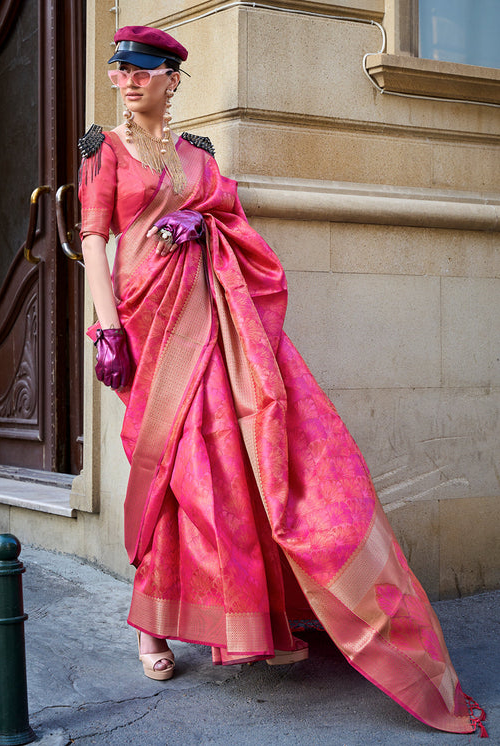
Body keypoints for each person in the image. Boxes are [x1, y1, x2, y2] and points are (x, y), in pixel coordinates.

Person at [78, 25, 487, 736]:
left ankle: (252, 615)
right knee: (170, 475)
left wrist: (199, 229)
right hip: (149, 327)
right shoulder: (101, 152)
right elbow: (93, 240)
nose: (128, 80)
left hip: (215, 324)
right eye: (120, 71)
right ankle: (150, 627)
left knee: (228, 472)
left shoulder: (197, 156)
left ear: (175, 78)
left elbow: (234, 227)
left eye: (144, 69)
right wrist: (105, 329)